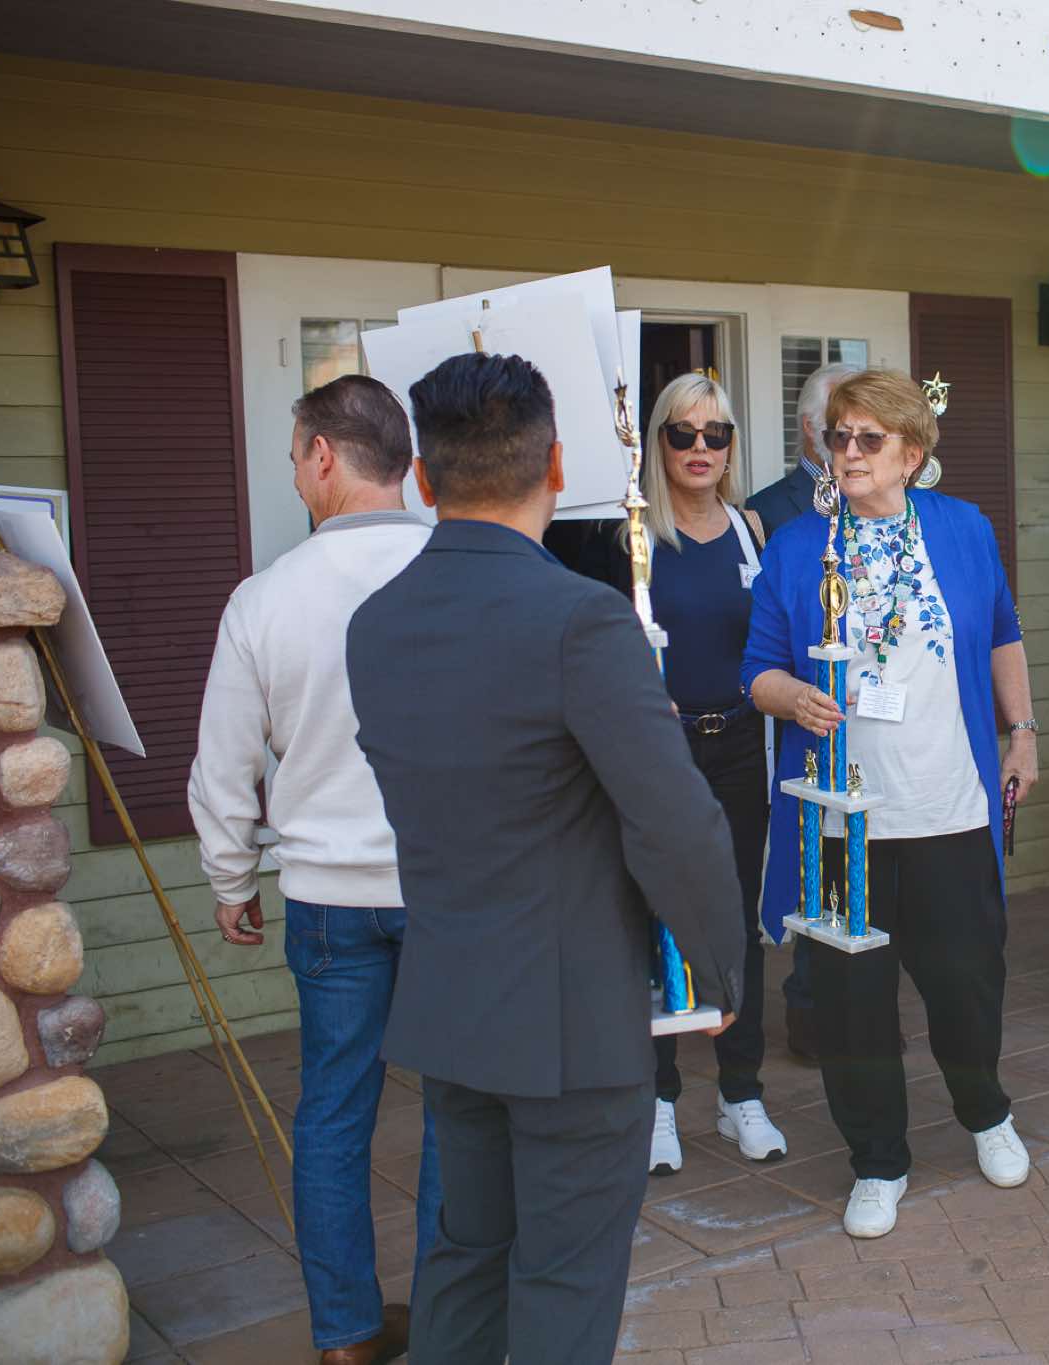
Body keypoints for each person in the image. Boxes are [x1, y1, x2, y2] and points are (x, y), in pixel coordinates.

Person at [346, 352, 745, 1365]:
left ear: (423, 478)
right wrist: (718, 968)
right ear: (557, 467)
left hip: (451, 997)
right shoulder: (581, 618)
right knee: (564, 1279)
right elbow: (677, 824)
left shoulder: (375, 624)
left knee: (466, 1257)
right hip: (572, 1017)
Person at [744, 368, 1036, 1240]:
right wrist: (794, 697)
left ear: (912, 453)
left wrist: (1022, 732)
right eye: (840, 436)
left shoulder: (962, 527)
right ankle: (877, 1159)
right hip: (841, 821)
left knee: (966, 984)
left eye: (870, 438)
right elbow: (757, 668)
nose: (850, 452)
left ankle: (985, 1111)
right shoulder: (798, 545)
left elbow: (1004, 633)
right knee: (851, 1002)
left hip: (949, 807)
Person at [187, 375, 439, 1365]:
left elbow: (223, 766)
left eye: (296, 456)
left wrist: (230, 879)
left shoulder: (264, 598)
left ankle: (346, 1336)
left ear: (326, 455)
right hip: (447, 888)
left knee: (333, 1114)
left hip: (328, 897)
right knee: (457, 1111)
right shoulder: (458, 570)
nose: (295, 475)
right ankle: (450, 1324)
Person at [547, 373, 787, 1179]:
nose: (699, 448)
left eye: (716, 434)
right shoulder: (624, 537)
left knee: (736, 918)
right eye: (682, 433)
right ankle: (658, 1097)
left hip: (739, 744)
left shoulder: (752, 529)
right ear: (657, 442)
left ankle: (741, 1090)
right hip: (656, 751)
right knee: (650, 913)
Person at [748, 359, 862, 1060]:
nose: (852, 442)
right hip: (797, 716)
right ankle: (809, 1011)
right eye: (839, 427)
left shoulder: (883, 501)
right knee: (812, 869)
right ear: (809, 430)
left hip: (868, 723)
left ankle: (864, 1008)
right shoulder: (767, 511)